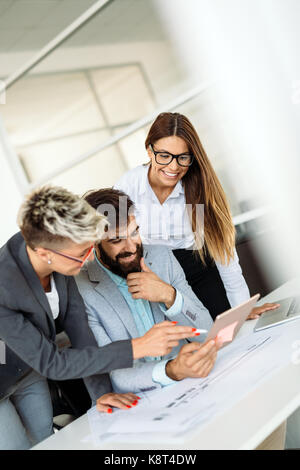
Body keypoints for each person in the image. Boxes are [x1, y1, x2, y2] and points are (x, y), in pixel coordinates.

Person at [0, 185, 196, 450]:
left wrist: (103, 395)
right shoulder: (4, 286)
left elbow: (80, 332)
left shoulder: (57, 250)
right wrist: (137, 347)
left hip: (29, 368)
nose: (88, 259)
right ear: (45, 254)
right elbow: (53, 363)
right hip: (13, 367)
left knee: (46, 441)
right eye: (82, 254)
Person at [114, 112, 279, 320]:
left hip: (200, 268)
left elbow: (225, 256)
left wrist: (243, 307)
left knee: (226, 332)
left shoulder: (201, 189)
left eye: (182, 157)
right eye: (164, 156)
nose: (173, 167)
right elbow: (116, 242)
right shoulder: (126, 188)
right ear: (149, 150)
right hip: (157, 274)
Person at [76, 188, 218, 394]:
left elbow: (206, 332)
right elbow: (116, 374)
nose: (131, 247)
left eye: (135, 232)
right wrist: (172, 371)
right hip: (139, 397)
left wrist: (169, 295)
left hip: (193, 383)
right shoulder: (82, 290)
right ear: (94, 244)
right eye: (116, 240)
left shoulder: (161, 257)